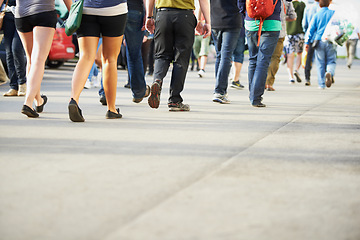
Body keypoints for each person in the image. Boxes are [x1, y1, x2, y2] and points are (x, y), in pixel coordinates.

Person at [1, 0, 72, 117]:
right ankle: (28, 103)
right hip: (43, 12)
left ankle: (38, 100)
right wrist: (72, 12)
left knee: (31, 59)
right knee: (38, 59)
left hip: (21, 14)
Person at [145, 0, 211, 111]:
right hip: (185, 16)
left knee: (161, 55)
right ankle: (174, 100)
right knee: (181, 59)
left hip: (163, 14)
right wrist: (207, 22)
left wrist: (149, 17)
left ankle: (157, 80)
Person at [68, 0, 128, 122]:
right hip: (114, 9)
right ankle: (111, 109)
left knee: (85, 57)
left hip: (86, 9)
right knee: (110, 59)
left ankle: (74, 100)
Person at [239, 0, 282, 107]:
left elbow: (240, 2)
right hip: (272, 22)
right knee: (263, 61)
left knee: (253, 59)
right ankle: (256, 97)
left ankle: (252, 94)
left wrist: (245, 12)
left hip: (251, 20)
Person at [211, 0, 244, 104]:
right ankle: (220, 91)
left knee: (220, 56)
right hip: (232, 20)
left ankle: (219, 89)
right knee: (226, 56)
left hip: (215, 20)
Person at [266, 0, 297, 91]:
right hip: (280, 31)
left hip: (264, 30)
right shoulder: (286, 1)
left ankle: (261, 82)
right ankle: (269, 83)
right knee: (275, 58)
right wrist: (282, 18)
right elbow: (293, 16)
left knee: (263, 56)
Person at [304, 0, 335, 89]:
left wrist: (307, 41)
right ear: (329, 3)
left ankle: (321, 84)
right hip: (331, 40)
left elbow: (311, 29)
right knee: (331, 61)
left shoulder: (317, 15)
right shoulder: (333, 14)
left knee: (320, 63)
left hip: (319, 40)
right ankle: (329, 72)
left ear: (320, 5)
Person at [124, 0, 150, 104]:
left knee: (109, 56)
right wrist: (148, 15)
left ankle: (104, 93)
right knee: (134, 53)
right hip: (134, 10)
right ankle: (139, 91)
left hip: (113, 10)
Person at [1, 0, 27, 97]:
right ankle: (13, 86)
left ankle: (22, 84)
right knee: (9, 53)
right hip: (8, 16)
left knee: (16, 49)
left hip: (22, 15)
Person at [284, 0, 306, 84]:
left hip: (288, 33)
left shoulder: (287, 4)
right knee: (299, 53)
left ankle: (291, 77)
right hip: (299, 33)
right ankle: (296, 70)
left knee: (290, 55)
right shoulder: (302, 5)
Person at [302, 0, 320, 85]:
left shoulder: (308, 8)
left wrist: (306, 36)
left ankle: (307, 78)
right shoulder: (324, 8)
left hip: (310, 36)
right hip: (322, 37)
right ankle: (328, 75)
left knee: (308, 58)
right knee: (323, 58)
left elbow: (304, 24)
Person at [193, 11, 210, 78]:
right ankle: (200, 68)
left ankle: (202, 69)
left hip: (205, 31)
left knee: (204, 50)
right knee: (196, 51)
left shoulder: (206, 4)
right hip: (195, 32)